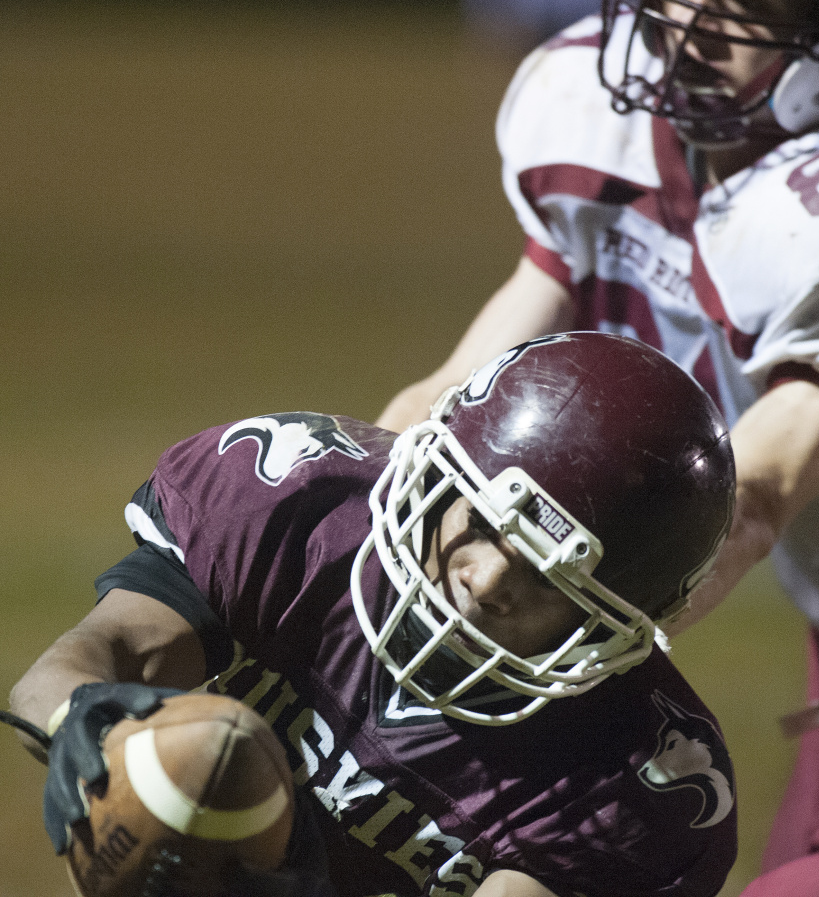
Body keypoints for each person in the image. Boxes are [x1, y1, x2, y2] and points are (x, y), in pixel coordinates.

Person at [376, 0, 819, 895]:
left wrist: (530, 650)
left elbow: (748, 498)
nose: (693, 12)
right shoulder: (585, 106)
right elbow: (461, 393)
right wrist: (343, 538)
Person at [10, 332, 740, 897]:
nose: (483, 581)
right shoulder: (298, 503)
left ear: (618, 617)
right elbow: (91, 656)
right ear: (439, 467)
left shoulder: (633, 784)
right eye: (480, 525)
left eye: (550, 579)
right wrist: (82, 720)